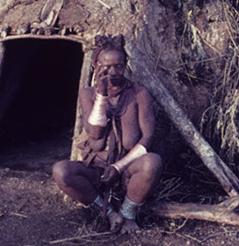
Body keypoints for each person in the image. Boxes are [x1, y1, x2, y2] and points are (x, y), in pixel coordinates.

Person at [52, 35, 163, 234]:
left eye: (119, 66)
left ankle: (128, 213)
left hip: (128, 169)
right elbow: (95, 133)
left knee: (152, 162)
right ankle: (109, 213)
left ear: (125, 65)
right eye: (107, 66)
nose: (114, 72)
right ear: (96, 66)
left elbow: (147, 139)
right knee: (61, 171)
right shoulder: (88, 94)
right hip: (96, 170)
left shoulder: (139, 93)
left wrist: (118, 167)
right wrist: (102, 96)